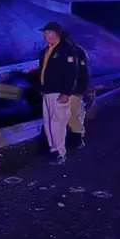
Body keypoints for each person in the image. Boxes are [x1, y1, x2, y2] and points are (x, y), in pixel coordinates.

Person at [38, 22, 78, 165]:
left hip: (59, 92)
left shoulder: (66, 49)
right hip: (47, 92)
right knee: (48, 122)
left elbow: (72, 72)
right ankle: (54, 149)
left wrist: (66, 92)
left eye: (48, 32)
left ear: (56, 33)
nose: (45, 36)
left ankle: (61, 153)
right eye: (44, 33)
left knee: (57, 123)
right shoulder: (45, 51)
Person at [62, 31, 89, 148]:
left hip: (73, 89)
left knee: (70, 114)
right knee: (75, 113)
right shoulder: (78, 50)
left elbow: (75, 72)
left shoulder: (70, 52)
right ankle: (79, 136)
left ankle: (78, 138)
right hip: (78, 88)